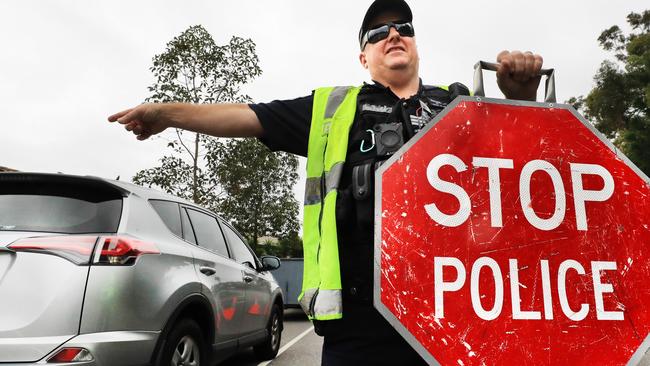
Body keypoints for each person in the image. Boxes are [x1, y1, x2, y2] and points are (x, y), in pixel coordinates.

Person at [109, 1, 544, 364]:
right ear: (364, 58)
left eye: (403, 28)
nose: (392, 34)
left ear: (415, 44)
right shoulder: (332, 109)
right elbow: (247, 115)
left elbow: (523, 162)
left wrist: (520, 96)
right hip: (359, 323)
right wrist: (166, 113)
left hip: (456, 315)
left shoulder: (458, 104)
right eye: (376, 34)